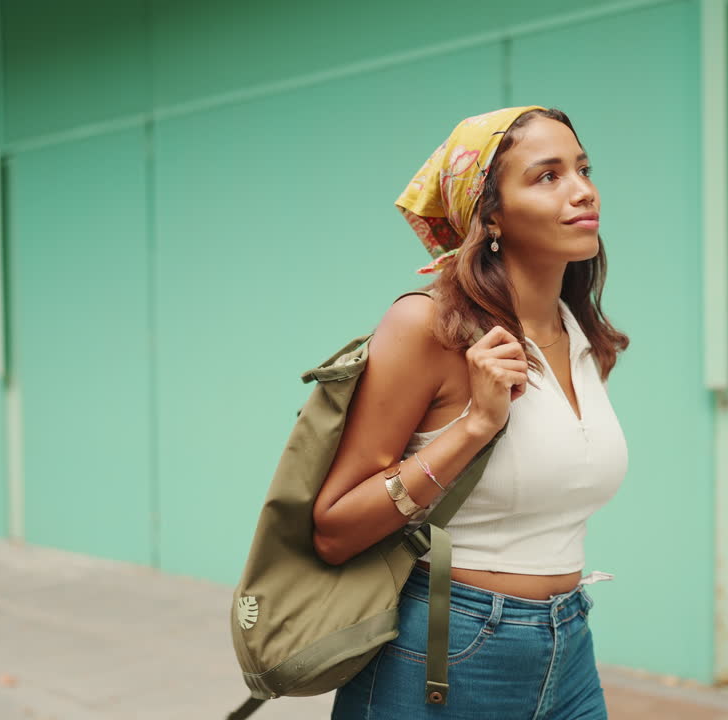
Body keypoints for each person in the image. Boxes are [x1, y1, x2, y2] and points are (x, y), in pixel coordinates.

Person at [312, 106, 629, 719]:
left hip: (569, 646)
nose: (582, 190)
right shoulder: (428, 325)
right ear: (491, 216)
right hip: (446, 650)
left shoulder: (578, 330)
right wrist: (477, 425)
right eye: (548, 176)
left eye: (583, 169)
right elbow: (334, 528)